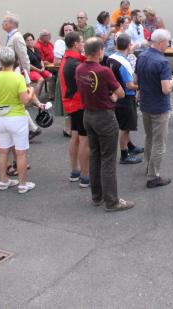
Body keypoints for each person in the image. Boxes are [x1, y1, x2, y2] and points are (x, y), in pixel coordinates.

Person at [75, 37, 136, 212]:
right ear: (100, 51)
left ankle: (97, 196)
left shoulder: (79, 69)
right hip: (104, 116)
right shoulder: (103, 71)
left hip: (88, 115)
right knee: (108, 159)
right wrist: (114, 96)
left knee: (95, 156)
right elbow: (121, 92)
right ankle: (112, 201)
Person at [0, 47, 43, 194]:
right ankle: (22, 184)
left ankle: (4, 180)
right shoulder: (18, 78)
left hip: (0, 117)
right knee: (21, 152)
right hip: (16, 117)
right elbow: (24, 101)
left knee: (3, 151)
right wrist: (31, 92)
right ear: (13, 61)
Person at [135, 29, 173, 188]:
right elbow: (166, 89)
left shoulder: (142, 56)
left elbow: (136, 79)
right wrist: (172, 81)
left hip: (145, 104)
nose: (168, 44)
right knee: (159, 142)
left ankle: (148, 167)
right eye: (167, 42)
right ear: (160, 42)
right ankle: (153, 176)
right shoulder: (162, 62)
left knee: (149, 137)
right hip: (159, 106)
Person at [2, 12, 41, 139]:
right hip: (12, 73)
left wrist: (26, 76)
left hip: (17, 73)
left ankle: (31, 128)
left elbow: (24, 58)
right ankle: (33, 128)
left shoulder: (17, 37)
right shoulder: (10, 36)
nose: (3, 23)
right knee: (17, 103)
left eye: (5, 21)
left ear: (12, 24)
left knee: (17, 102)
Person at [59, 31, 90, 188]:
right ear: (76, 44)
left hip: (71, 103)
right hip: (78, 103)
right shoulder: (74, 63)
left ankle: (75, 171)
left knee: (76, 135)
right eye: (82, 42)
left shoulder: (68, 59)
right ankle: (85, 176)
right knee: (84, 139)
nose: (83, 44)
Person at [107, 33, 144, 164]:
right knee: (125, 127)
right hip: (125, 97)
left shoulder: (110, 58)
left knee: (124, 124)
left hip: (115, 95)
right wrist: (142, 87)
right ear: (129, 45)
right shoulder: (124, 63)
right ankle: (124, 154)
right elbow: (129, 85)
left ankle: (130, 146)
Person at [53, 22, 77, 137]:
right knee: (68, 100)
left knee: (73, 100)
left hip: (73, 74)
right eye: (66, 30)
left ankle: (71, 127)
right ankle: (67, 128)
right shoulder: (60, 43)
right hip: (65, 74)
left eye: (70, 30)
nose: (68, 32)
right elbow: (56, 62)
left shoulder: (76, 43)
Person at [24, 32, 53, 98]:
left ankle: (51, 95)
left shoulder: (36, 49)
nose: (30, 42)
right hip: (31, 71)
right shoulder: (25, 51)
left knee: (51, 76)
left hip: (40, 69)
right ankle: (35, 99)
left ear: (33, 40)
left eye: (31, 40)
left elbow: (41, 60)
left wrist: (42, 67)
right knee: (41, 80)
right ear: (25, 42)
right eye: (27, 40)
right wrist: (38, 70)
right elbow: (28, 65)